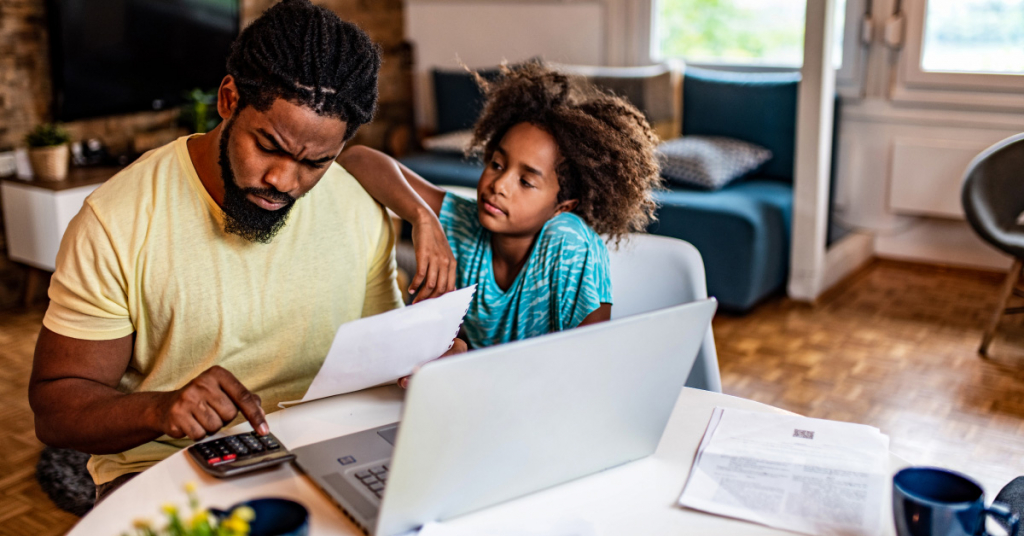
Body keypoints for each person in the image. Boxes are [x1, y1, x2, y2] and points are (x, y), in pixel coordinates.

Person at [28, 0, 461, 502]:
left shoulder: (357, 203)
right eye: (269, 146)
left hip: (329, 450)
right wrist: (158, 409)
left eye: (315, 163)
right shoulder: (116, 220)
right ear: (229, 98)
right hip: (170, 470)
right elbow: (56, 407)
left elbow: (380, 365)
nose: (283, 181)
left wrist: (427, 363)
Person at [340, 63, 663, 350]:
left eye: (526, 181)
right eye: (497, 164)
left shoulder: (570, 245)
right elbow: (356, 158)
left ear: (562, 206)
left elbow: (591, 363)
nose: (499, 185)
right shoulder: (465, 221)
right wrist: (421, 216)